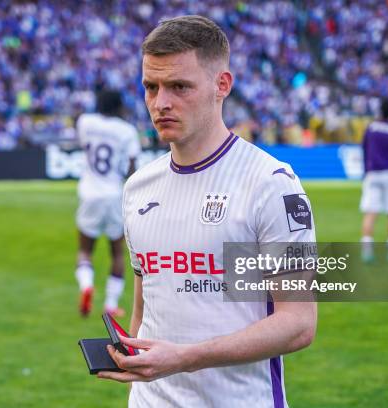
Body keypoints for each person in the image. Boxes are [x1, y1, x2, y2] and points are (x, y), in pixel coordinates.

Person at [98, 16, 317, 407]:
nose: (160, 102)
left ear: (222, 86)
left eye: (179, 86)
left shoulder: (272, 185)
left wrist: (184, 359)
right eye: (151, 87)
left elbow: (298, 323)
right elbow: (144, 306)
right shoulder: (137, 188)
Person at [74, 90, 141, 317]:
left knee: (85, 250)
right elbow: (132, 168)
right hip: (113, 194)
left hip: (89, 193)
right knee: (117, 253)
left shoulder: (85, 122)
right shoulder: (127, 131)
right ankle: (111, 304)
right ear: (118, 107)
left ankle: (86, 286)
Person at [359, 99, 388, 262]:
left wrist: (366, 172)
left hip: (372, 173)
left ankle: (367, 252)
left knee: (370, 212)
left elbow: (364, 151)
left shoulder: (371, 127)